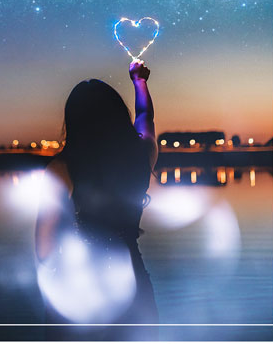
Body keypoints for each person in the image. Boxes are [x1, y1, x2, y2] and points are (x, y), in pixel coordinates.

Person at [35, 60, 159, 340]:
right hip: (134, 279)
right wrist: (140, 82)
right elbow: (145, 118)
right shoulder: (142, 155)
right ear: (118, 116)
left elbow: (43, 247)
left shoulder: (62, 168)